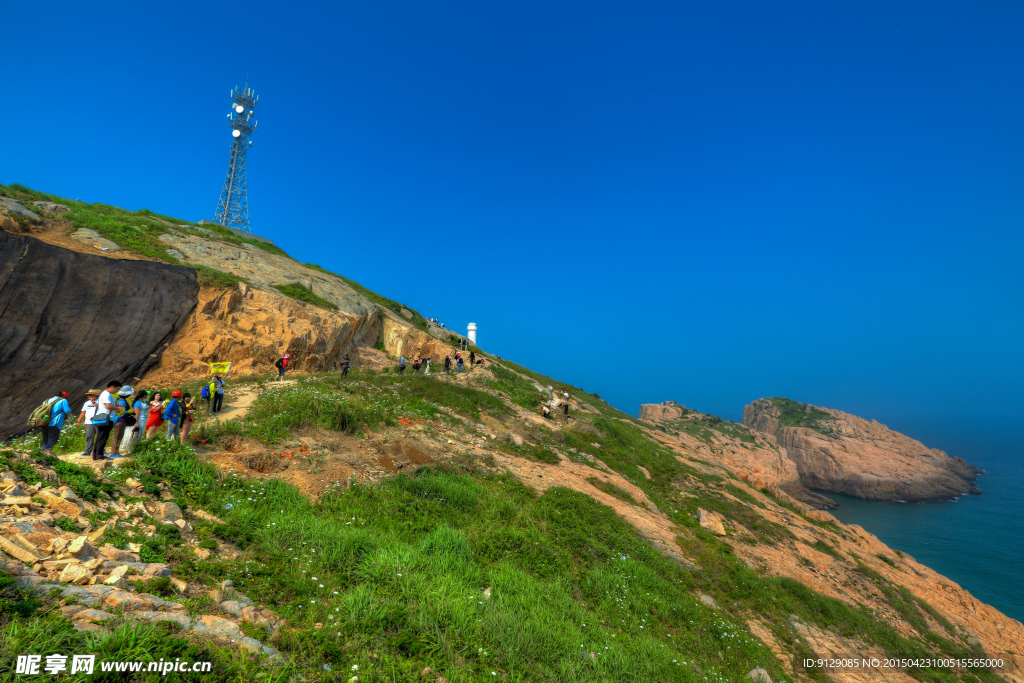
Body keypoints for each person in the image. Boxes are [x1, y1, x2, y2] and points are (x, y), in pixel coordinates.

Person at [90, 381, 122, 461]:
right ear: (112, 387)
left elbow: (107, 405)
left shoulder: (106, 394)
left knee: (100, 437)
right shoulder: (107, 394)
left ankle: (96, 455)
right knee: (103, 437)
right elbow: (108, 406)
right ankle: (99, 455)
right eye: (117, 389)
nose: (117, 391)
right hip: (106, 418)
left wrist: (115, 406)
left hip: (105, 418)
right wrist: (117, 408)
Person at [109, 386, 135, 458]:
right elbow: (120, 412)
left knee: (119, 437)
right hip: (120, 421)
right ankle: (114, 453)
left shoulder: (120, 399)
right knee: (117, 437)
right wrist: (130, 411)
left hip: (122, 420)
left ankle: (116, 452)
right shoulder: (122, 401)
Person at [119, 390, 148, 454]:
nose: (147, 395)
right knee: (135, 434)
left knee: (139, 434)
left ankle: (135, 447)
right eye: (146, 394)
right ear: (144, 395)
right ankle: (130, 448)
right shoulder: (138, 403)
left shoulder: (143, 402)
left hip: (143, 419)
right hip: (139, 420)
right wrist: (136, 422)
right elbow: (136, 413)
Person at [76, 390, 101, 456]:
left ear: (96, 395)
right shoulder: (86, 403)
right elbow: (83, 412)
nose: (89, 396)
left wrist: (95, 404)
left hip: (99, 421)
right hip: (89, 422)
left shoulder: (100, 402)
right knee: (89, 436)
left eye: (91, 395)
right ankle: (88, 451)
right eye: (89, 395)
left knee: (100, 436)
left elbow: (102, 409)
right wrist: (79, 421)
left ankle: (100, 450)